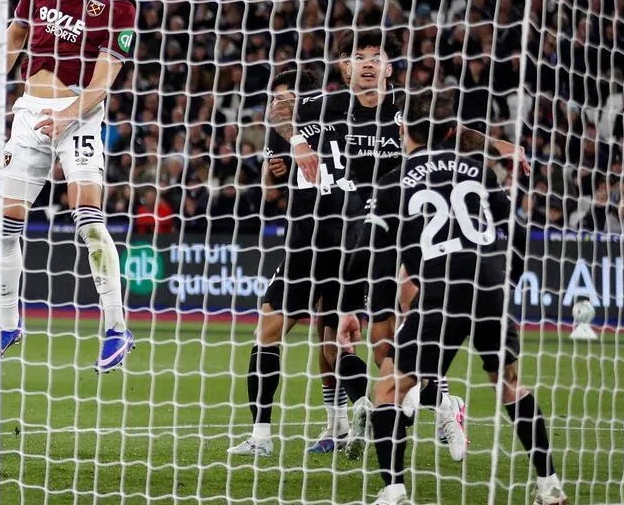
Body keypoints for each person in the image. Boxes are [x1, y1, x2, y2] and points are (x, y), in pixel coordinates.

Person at [337, 89, 568, 505]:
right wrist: (508, 283)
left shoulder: (393, 183)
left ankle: (394, 489)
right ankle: (549, 485)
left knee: (388, 388)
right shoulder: (479, 170)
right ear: (448, 132)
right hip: (489, 286)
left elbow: (369, 251)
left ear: (404, 130)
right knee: (509, 385)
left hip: (441, 288)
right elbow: (517, 234)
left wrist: (351, 308)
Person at [0, 0, 140, 371]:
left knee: (88, 219)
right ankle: (8, 322)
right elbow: (15, 38)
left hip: (79, 117)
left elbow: (102, 84)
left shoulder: (122, 12)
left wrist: (66, 116)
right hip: (29, 115)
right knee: (5, 225)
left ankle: (116, 328)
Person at [229, 67, 364, 457]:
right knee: (333, 339)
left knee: (268, 329)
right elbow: (272, 194)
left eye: (282, 97)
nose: (275, 104)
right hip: (349, 240)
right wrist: (274, 173)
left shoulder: (308, 121)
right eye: (272, 97)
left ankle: (261, 436)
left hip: (310, 240)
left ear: (304, 98)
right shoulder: (336, 118)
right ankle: (351, 417)